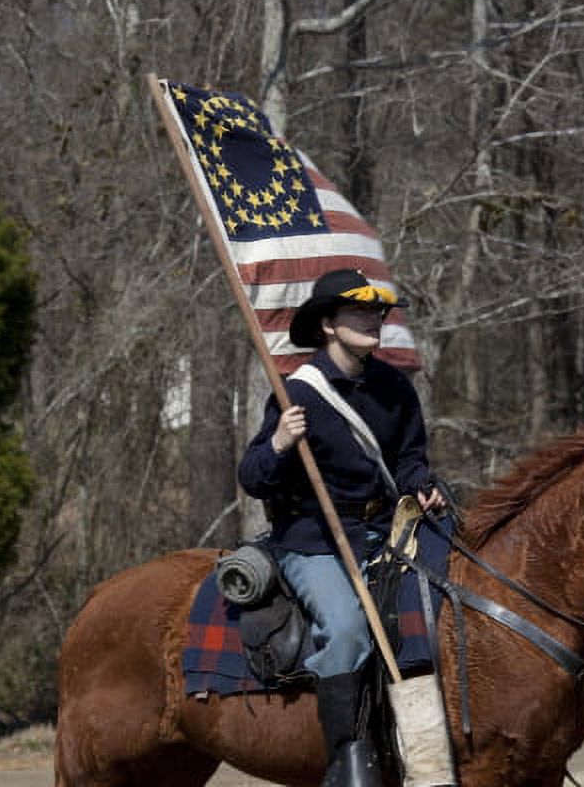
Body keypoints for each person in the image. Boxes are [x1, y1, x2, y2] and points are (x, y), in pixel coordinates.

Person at [238, 268, 450, 786]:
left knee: (447, 608)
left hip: (388, 532)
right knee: (350, 629)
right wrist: (282, 444)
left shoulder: (395, 387)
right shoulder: (297, 395)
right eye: (359, 312)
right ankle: (349, 762)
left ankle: (431, 756)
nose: (374, 320)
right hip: (313, 542)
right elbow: (253, 477)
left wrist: (421, 483)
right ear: (329, 324)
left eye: (377, 312)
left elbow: (409, 461)